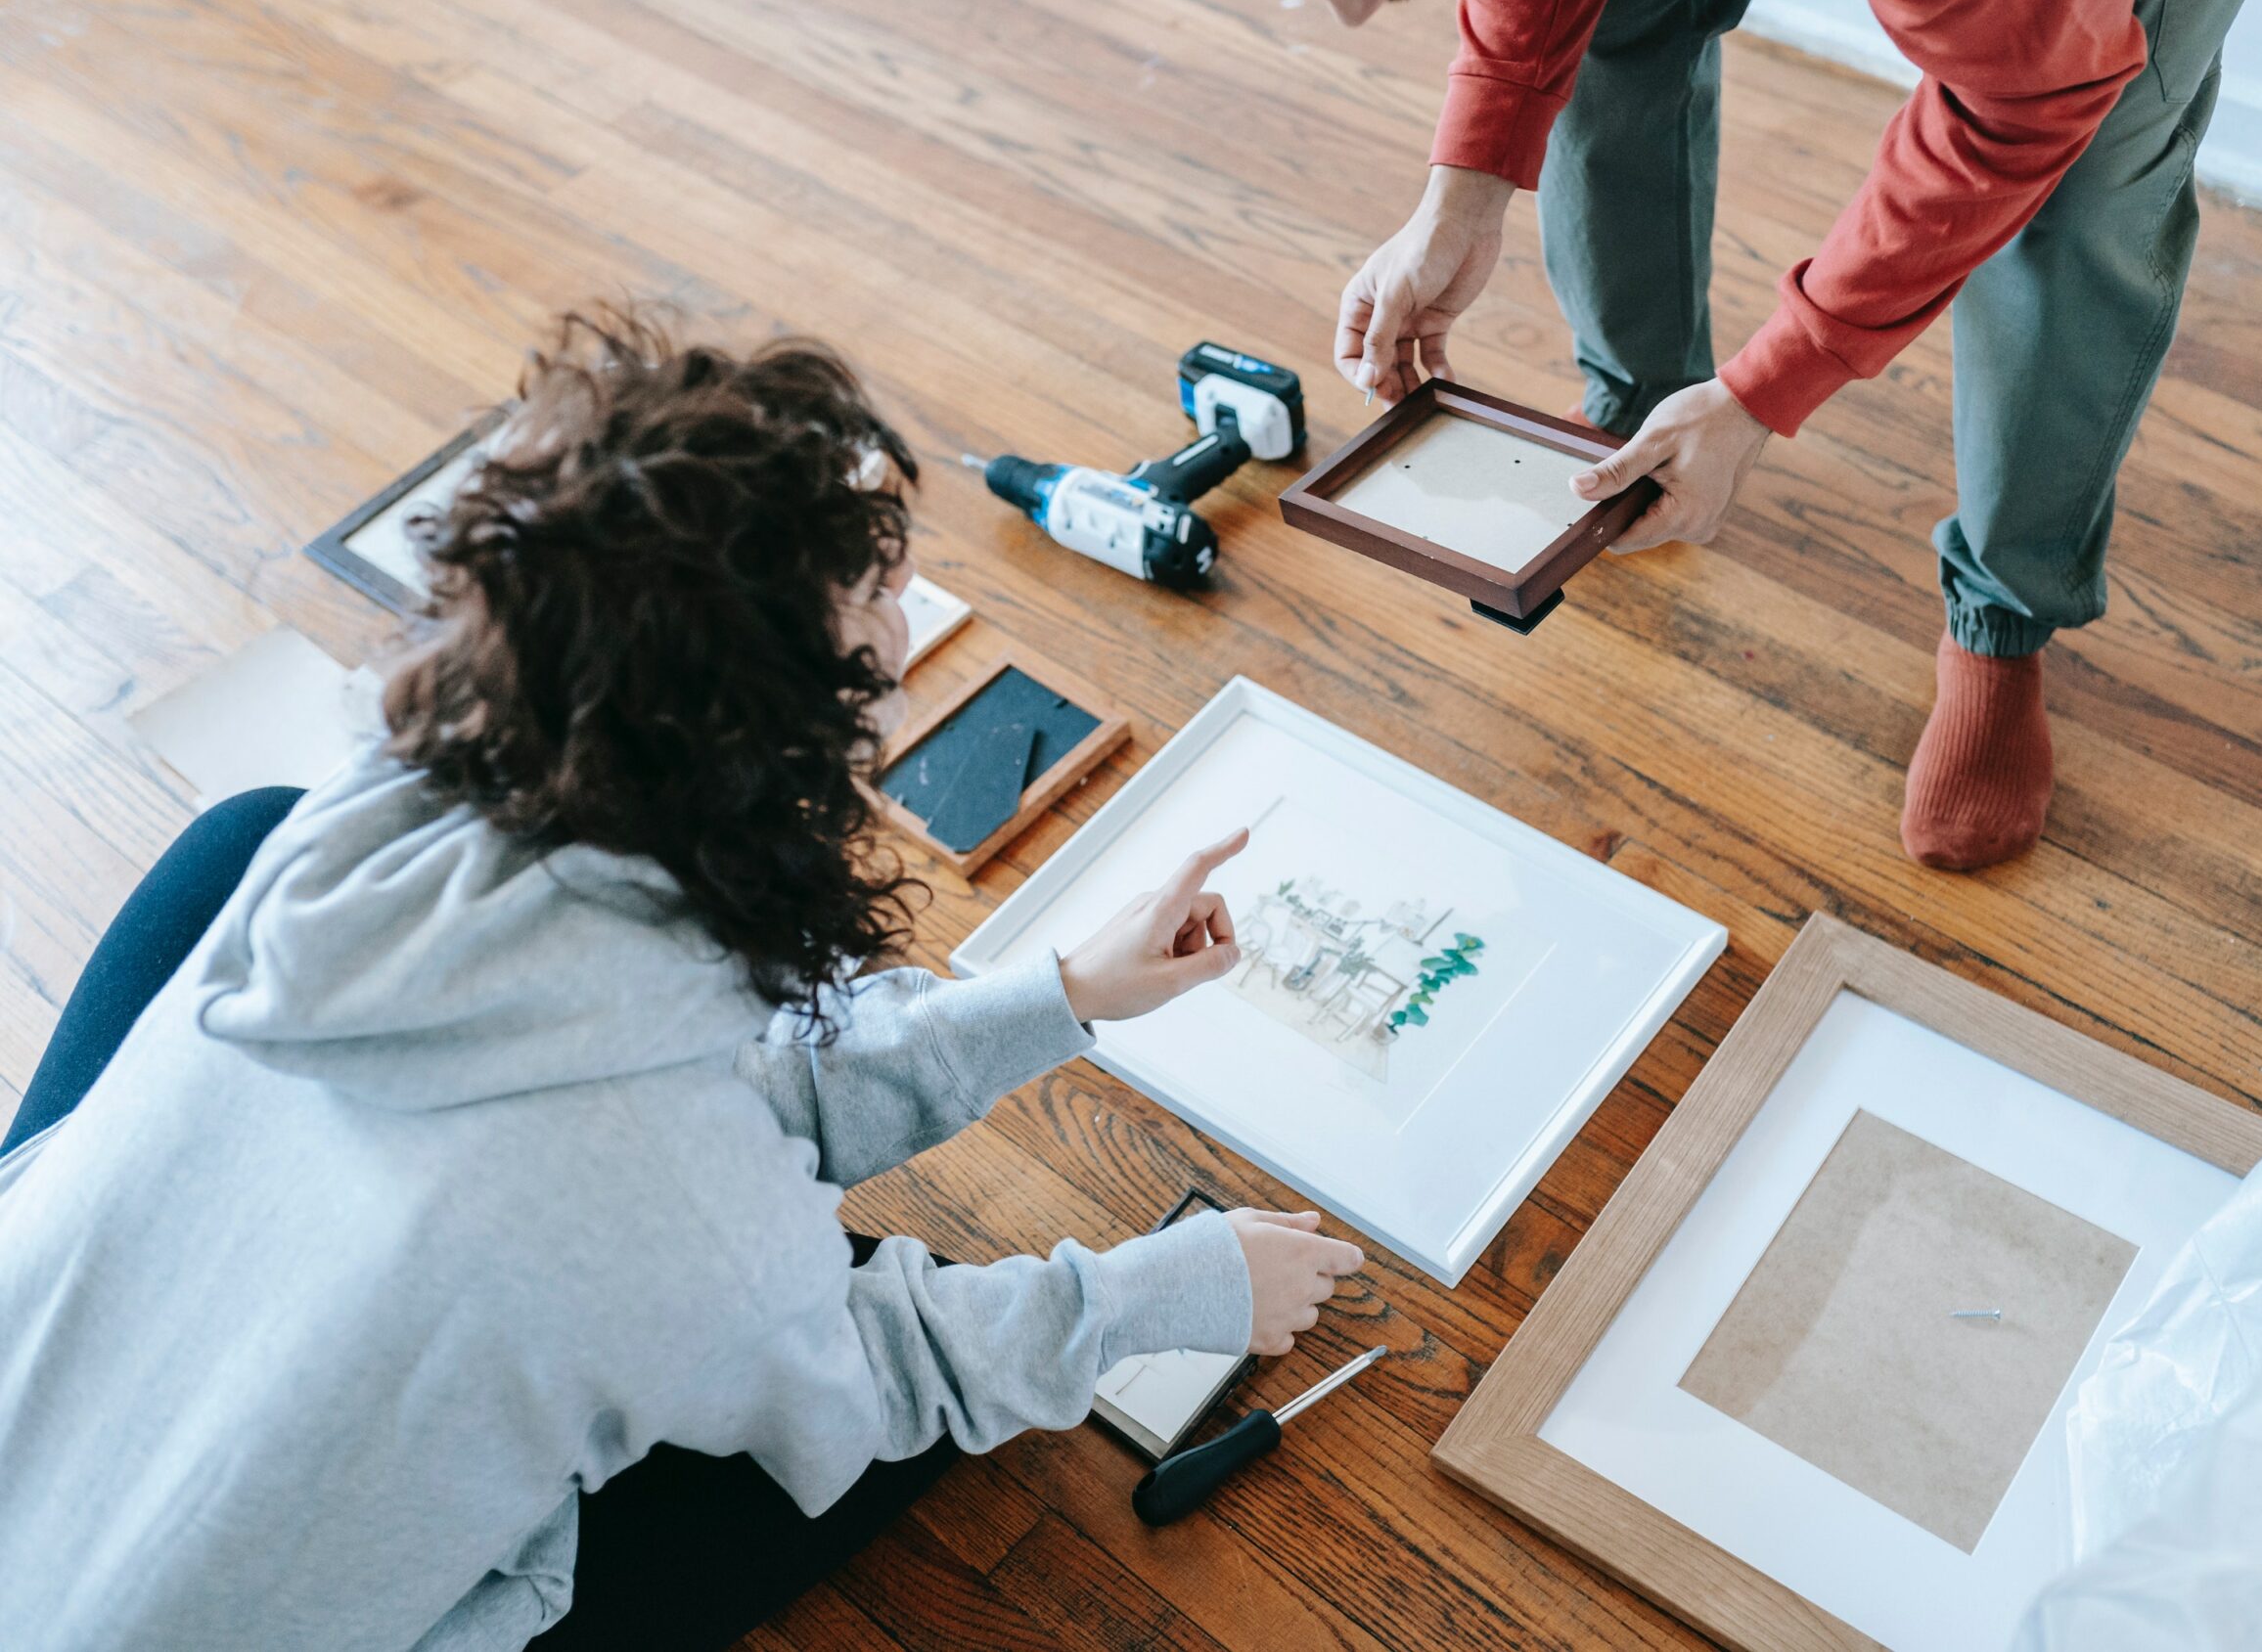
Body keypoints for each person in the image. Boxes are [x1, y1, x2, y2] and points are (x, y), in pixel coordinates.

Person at [0, 310, 1365, 1652]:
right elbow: (881, 1372)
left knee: (232, 838)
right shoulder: (666, 1208)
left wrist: (1056, 992)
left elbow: (653, 1082)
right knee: (833, 1420)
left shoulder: (367, 823)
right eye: (880, 608)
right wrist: (1172, 1291)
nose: (905, 619)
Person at [1327, 0, 2252, 870]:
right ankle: (1636, 405)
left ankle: (2002, 614)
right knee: (1614, 0)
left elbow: (2025, 108)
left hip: (2056, 26)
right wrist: (1464, 191)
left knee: (2084, 187)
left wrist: (1767, 390)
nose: (1352, 12)